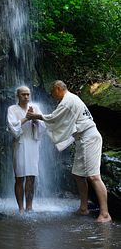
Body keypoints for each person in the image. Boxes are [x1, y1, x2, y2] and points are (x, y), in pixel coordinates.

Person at [26, 80, 111, 223]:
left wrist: (37, 116)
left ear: (58, 89)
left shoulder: (68, 101)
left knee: (94, 176)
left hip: (89, 137)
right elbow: (64, 123)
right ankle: (84, 208)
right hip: (82, 139)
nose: (52, 96)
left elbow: (54, 118)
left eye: (52, 92)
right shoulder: (71, 99)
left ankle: (105, 213)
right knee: (78, 174)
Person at [7, 86, 45, 213]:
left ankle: (29, 207)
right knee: (19, 177)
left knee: (31, 177)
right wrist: (26, 118)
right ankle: (21, 208)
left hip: (33, 144)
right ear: (17, 95)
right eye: (23, 94)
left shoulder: (35, 108)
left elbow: (43, 126)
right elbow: (13, 128)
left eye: (28, 94)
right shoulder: (12, 109)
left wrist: (35, 120)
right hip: (20, 144)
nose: (26, 97)